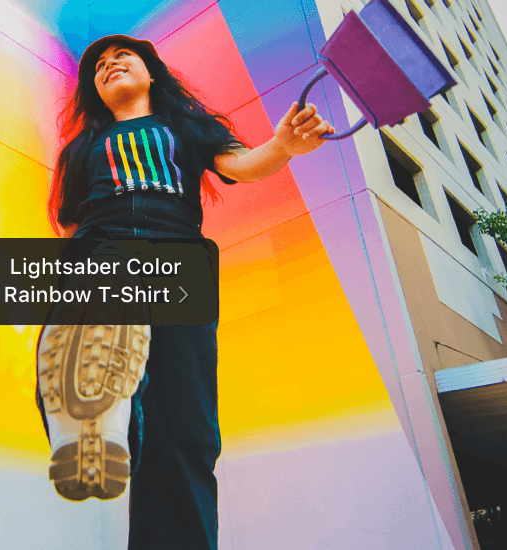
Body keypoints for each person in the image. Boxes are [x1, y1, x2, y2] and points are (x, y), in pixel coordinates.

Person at [34, 34, 334, 550]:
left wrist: (285, 145)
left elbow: (243, 164)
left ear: (152, 71)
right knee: (82, 318)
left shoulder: (187, 128)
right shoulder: (81, 149)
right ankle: (99, 415)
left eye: (122, 57)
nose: (110, 65)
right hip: (104, 254)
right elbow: (68, 227)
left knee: (186, 432)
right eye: (100, 66)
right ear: (95, 90)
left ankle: (125, 427)